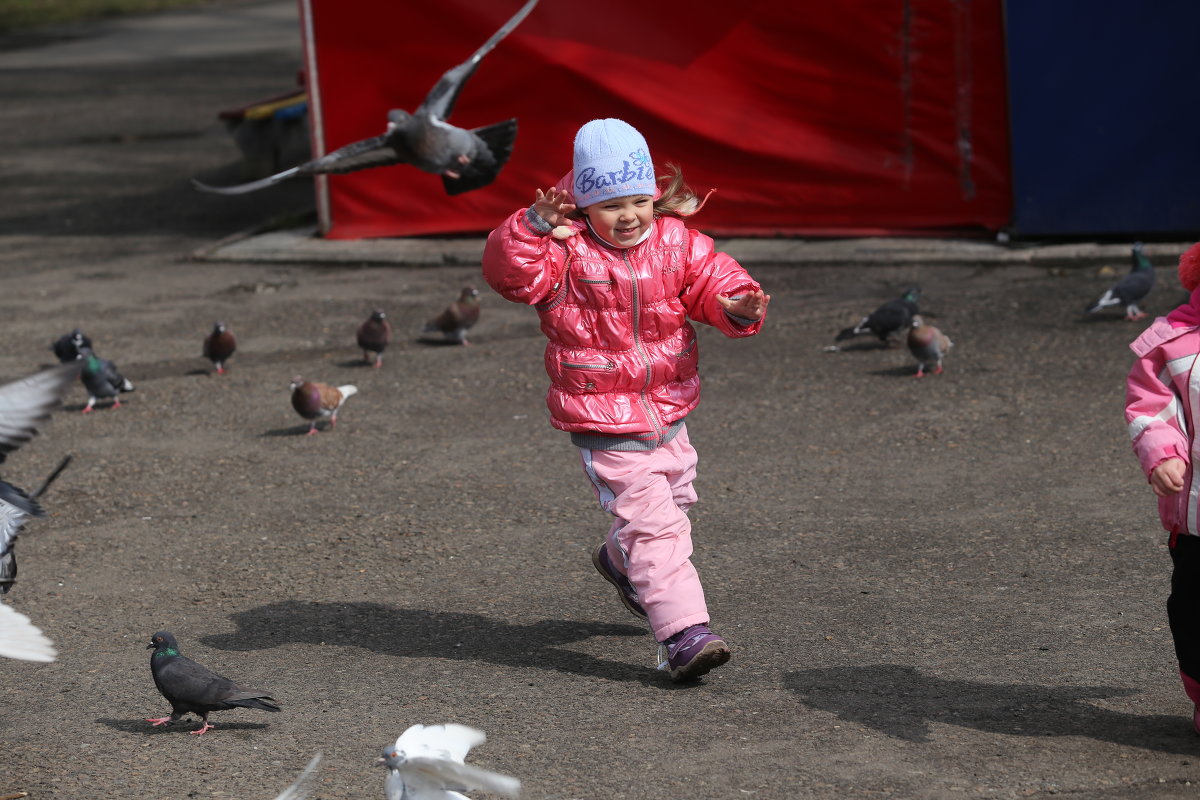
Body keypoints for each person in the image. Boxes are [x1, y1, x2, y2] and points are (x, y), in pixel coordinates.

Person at [482, 118, 769, 681]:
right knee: (657, 529)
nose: (630, 216)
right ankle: (684, 634)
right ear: (584, 206)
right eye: (612, 205)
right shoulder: (563, 253)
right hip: (603, 415)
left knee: (675, 506)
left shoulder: (674, 241)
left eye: (641, 201)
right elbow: (509, 275)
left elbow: (711, 278)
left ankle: (620, 561)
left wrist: (735, 302)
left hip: (667, 406)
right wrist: (531, 227)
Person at [1126, 241, 1200, 732]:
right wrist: (1162, 454)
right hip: (1197, 515)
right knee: (1194, 609)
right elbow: (1150, 407)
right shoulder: (1174, 341)